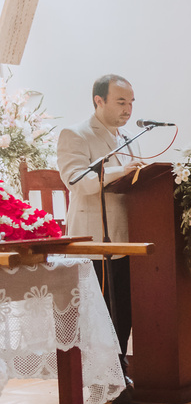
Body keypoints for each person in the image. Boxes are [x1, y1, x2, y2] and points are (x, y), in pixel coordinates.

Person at [57, 74, 144, 365]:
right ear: (99, 100)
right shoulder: (77, 134)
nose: (128, 109)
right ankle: (99, 378)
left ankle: (118, 372)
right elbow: (77, 181)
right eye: (121, 102)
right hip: (96, 238)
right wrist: (123, 172)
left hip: (129, 237)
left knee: (125, 309)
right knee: (101, 313)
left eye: (131, 103)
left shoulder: (128, 138)